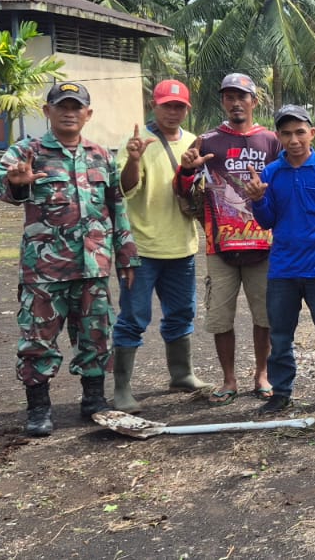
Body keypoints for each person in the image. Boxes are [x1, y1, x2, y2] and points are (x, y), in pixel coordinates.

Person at [0, 81, 138, 437]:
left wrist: (126, 255)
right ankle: (39, 408)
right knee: (38, 339)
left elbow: (117, 206)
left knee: (96, 335)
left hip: (93, 265)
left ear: (88, 114)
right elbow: (0, 184)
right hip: (45, 270)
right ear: (47, 111)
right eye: (62, 106)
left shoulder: (101, 155)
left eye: (77, 107)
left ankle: (93, 400)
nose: (69, 112)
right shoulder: (28, 151)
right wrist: (17, 183)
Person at [176, 73, 279, 405]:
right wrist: (187, 170)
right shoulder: (207, 142)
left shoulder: (272, 141)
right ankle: (229, 379)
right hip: (220, 247)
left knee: (265, 317)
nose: (236, 103)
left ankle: (262, 375)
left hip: (263, 245)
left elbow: (286, 185)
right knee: (221, 318)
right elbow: (181, 190)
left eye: (242, 96)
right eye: (229, 97)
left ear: (254, 101)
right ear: (223, 102)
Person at [244, 105, 315, 415]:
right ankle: (281, 392)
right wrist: (258, 199)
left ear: (312, 133)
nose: (294, 139)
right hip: (283, 268)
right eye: (287, 133)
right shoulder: (271, 173)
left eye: (300, 132)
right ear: (278, 137)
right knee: (280, 334)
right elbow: (266, 222)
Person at [110, 79, 209, 414]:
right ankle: (122, 389)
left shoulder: (195, 142)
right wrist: (134, 159)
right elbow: (125, 189)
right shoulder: (137, 142)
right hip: (142, 249)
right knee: (134, 317)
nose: (173, 112)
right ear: (155, 105)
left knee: (182, 314)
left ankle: (181, 374)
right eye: (167, 105)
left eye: (179, 106)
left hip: (182, 247)